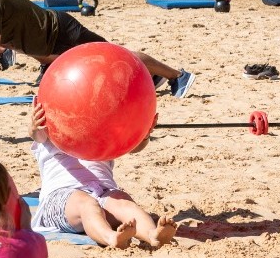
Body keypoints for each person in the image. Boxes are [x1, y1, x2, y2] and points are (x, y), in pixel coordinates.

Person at [0, 0, 194, 105]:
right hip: (43, 45)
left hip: (61, 30)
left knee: (114, 56)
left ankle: (177, 76)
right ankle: (155, 75)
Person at [29, 102, 175, 248]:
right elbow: (35, 133)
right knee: (86, 204)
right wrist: (34, 126)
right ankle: (111, 238)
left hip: (103, 191)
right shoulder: (52, 109)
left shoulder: (104, 112)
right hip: (61, 196)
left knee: (123, 201)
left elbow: (131, 146)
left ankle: (151, 234)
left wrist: (144, 133)